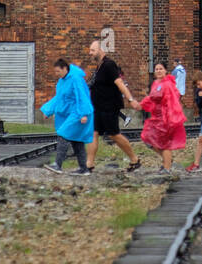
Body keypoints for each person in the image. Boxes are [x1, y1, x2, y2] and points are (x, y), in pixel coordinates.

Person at [86, 40, 140, 171]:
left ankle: (135, 159)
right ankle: (89, 165)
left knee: (114, 134)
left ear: (100, 50)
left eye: (93, 50)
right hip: (98, 107)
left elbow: (120, 83)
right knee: (93, 133)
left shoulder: (109, 65)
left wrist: (131, 99)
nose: (90, 53)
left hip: (109, 106)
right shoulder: (99, 68)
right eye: (90, 50)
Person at [41, 57, 95, 175]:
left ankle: (58, 165)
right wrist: (48, 111)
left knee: (63, 134)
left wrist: (84, 114)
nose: (56, 74)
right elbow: (59, 98)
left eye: (58, 71)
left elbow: (82, 96)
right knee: (77, 140)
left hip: (79, 113)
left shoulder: (76, 79)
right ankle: (84, 169)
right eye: (55, 72)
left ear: (65, 68)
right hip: (72, 113)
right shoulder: (62, 81)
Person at [139, 63, 187, 174]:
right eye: (157, 69)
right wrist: (140, 104)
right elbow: (151, 98)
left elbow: (172, 102)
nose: (159, 71)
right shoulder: (155, 83)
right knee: (147, 138)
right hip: (156, 119)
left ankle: (167, 168)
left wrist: (170, 118)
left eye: (161, 69)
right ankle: (167, 160)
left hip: (166, 118)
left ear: (165, 71)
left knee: (165, 143)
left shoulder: (168, 84)